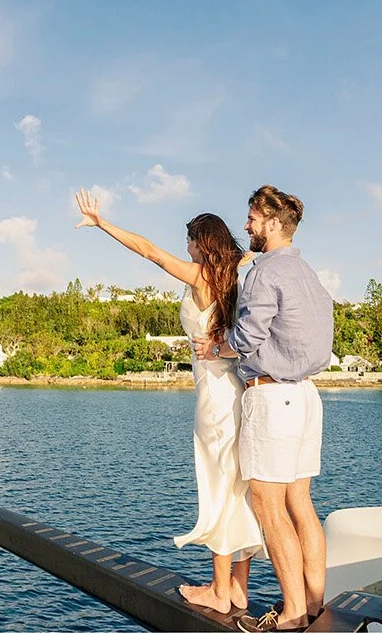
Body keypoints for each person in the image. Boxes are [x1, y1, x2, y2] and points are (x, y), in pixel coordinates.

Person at [75, 189, 265, 616]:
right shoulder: (242, 270)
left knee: (217, 486)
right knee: (241, 488)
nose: (186, 249)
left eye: (190, 242)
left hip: (216, 396)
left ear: (202, 241)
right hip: (242, 391)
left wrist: (101, 223)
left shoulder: (201, 277)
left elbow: (148, 252)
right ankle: (238, 588)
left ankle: (219, 590)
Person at [228, 185, 334, 632]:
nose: (247, 224)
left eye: (252, 217)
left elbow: (249, 335)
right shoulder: (308, 273)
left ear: (272, 223)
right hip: (307, 396)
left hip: (272, 396)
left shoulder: (264, 271)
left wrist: (220, 345)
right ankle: (313, 606)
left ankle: (290, 615)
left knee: (268, 505)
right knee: (301, 503)